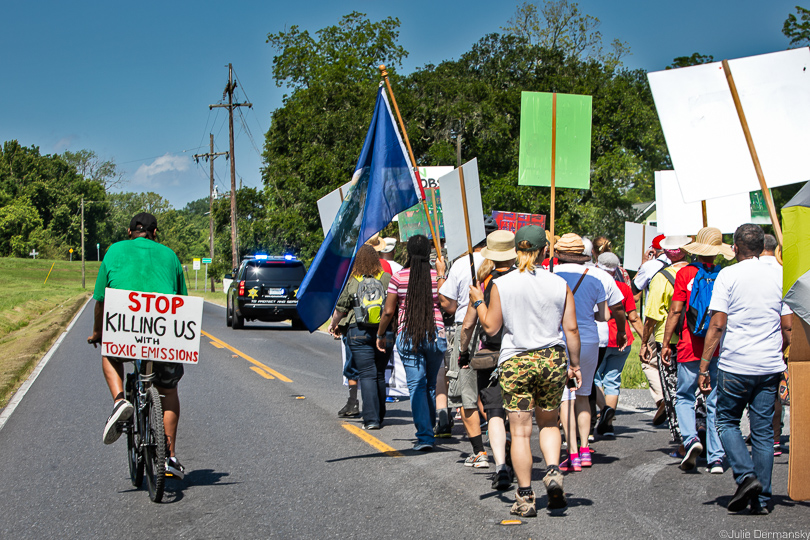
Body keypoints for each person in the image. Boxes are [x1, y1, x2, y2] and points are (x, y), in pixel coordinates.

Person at [469, 225, 582, 516]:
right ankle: (554, 472)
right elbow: (571, 328)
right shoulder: (559, 284)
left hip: (516, 361)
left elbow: (491, 326)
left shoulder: (501, 285)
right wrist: (576, 364)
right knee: (549, 422)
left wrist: (479, 301)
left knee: (520, 433)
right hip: (552, 360)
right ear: (545, 250)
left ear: (516, 251)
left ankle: (524, 495)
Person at [699, 224, 792, 514]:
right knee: (764, 431)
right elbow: (788, 326)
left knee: (726, 421)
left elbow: (717, 323)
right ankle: (762, 499)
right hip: (768, 365)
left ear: (736, 248)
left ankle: (745, 476)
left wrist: (704, 366)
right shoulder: (780, 274)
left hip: (735, 363)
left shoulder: (728, 275)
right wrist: (781, 354)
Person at [87, 212, 187, 479]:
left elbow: (100, 301)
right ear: (155, 234)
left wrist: (98, 333)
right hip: (162, 331)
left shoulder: (114, 251)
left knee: (110, 355)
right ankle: (170, 456)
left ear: (129, 232)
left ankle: (120, 401)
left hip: (125, 329)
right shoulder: (170, 255)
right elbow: (181, 302)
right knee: (168, 390)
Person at [661, 227, 733, 473]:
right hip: (717, 346)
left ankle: (690, 439)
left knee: (684, 396)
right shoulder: (725, 274)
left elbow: (676, 310)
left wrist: (665, 342)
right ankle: (716, 458)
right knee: (714, 400)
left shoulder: (686, 273)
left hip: (690, 344)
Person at [553, 233, 626, 472]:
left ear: (558, 255)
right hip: (589, 337)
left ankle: (570, 450)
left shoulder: (550, 276)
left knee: (565, 396)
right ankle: (585, 448)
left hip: (560, 337)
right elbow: (605, 314)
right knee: (584, 394)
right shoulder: (598, 276)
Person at [376, 235, 448, 451]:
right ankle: (431, 427)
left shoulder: (397, 278)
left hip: (408, 334)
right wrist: (442, 273)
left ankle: (425, 436)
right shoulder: (437, 277)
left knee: (417, 385)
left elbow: (389, 311)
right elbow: (448, 305)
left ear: (408, 253)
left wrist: (381, 334)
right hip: (436, 334)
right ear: (429, 253)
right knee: (430, 385)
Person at [458, 230, 518, 489]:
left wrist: (463, 352)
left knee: (494, 412)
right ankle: (517, 458)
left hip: (494, 353)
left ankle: (501, 465)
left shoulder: (487, 285)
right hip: (522, 351)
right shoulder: (524, 279)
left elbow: (469, 325)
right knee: (518, 412)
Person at [438, 215, 495, 464]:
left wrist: (441, 275)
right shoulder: (508, 263)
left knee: (466, 392)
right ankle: (505, 447)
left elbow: (447, 304)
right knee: (496, 391)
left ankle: (478, 451)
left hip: (468, 329)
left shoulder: (462, 264)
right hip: (501, 330)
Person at [328, 245, 393, 429]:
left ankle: (371, 420)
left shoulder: (354, 280)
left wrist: (333, 325)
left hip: (358, 332)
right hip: (385, 331)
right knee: (380, 373)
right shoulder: (386, 278)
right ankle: (380, 415)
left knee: (367, 374)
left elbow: (341, 308)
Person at [640, 235, 690, 440]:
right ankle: (700, 429)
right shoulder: (699, 272)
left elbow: (651, 315)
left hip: (667, 339)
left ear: (667, 252)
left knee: (672, 389)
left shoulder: (662, 277)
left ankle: (683, 438)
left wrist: (644, 342)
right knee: (694, 388)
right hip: (696, 336)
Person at [593, 252, 644, 437]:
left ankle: (601, 412)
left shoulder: (594, 284)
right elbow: (633, 316)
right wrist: (646, 340)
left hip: (600, 338)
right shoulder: (623, 287)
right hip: (622, 340)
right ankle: (608, 424)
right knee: (613, 381)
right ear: (617, 269)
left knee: (594, 380)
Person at [760, 234, 790, 456]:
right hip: (777, 342)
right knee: (776, 391)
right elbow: (787, 323)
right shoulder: (784, 273)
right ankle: (775, 438)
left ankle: (761, 434)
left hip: (750, 342)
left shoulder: (746, 271)